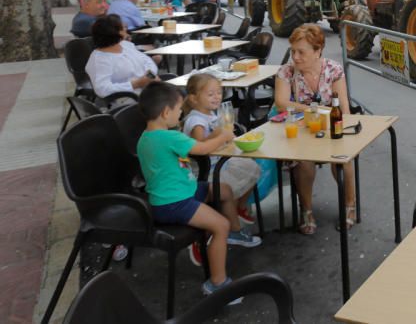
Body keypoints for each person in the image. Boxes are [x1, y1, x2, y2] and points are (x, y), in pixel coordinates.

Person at [136, 83, 260, 301]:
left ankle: (233, 232)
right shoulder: (169, 137)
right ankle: (218, 284)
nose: (180, 114)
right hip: (174, 203)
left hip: (172, 194)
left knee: (223, 190)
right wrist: (224, 136)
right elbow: (201, 149)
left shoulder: (145, 137)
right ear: (166, 112)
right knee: (219, 225)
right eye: (178, 110)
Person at [273, 24, 356, 235]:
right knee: (304, 162)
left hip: (330, 128)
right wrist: (315, 108)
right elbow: (281, 103)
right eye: (293, 51)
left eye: (301, 52)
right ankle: (306, 211)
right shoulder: (286, 71)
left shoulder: (333, 69)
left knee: (342, 158)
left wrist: (345, 128)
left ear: (318, 51)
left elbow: (343, 105)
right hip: (302, 132)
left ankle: (350, 205)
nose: (295, 57)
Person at [183, 74, 262, 228]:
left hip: (219, 160)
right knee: (232, 185)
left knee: (254, 167)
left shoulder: (210, 113)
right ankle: (231, 217)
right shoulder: (196, 121)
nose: (216, 97)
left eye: (219, 92)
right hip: (205, 171)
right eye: (210, 94)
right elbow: (199, 146)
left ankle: (239, 206)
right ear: (194, 98)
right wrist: (219, 134)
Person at [85, 15, 160, 99]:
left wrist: (150, 75)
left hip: (148, 91)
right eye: (122, 26)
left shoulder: (125, 45)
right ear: (114, 33)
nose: (125, 27)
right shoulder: (100, 60)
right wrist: (136, 84)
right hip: (130, 100)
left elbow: (147, 61)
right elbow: (102, 89)